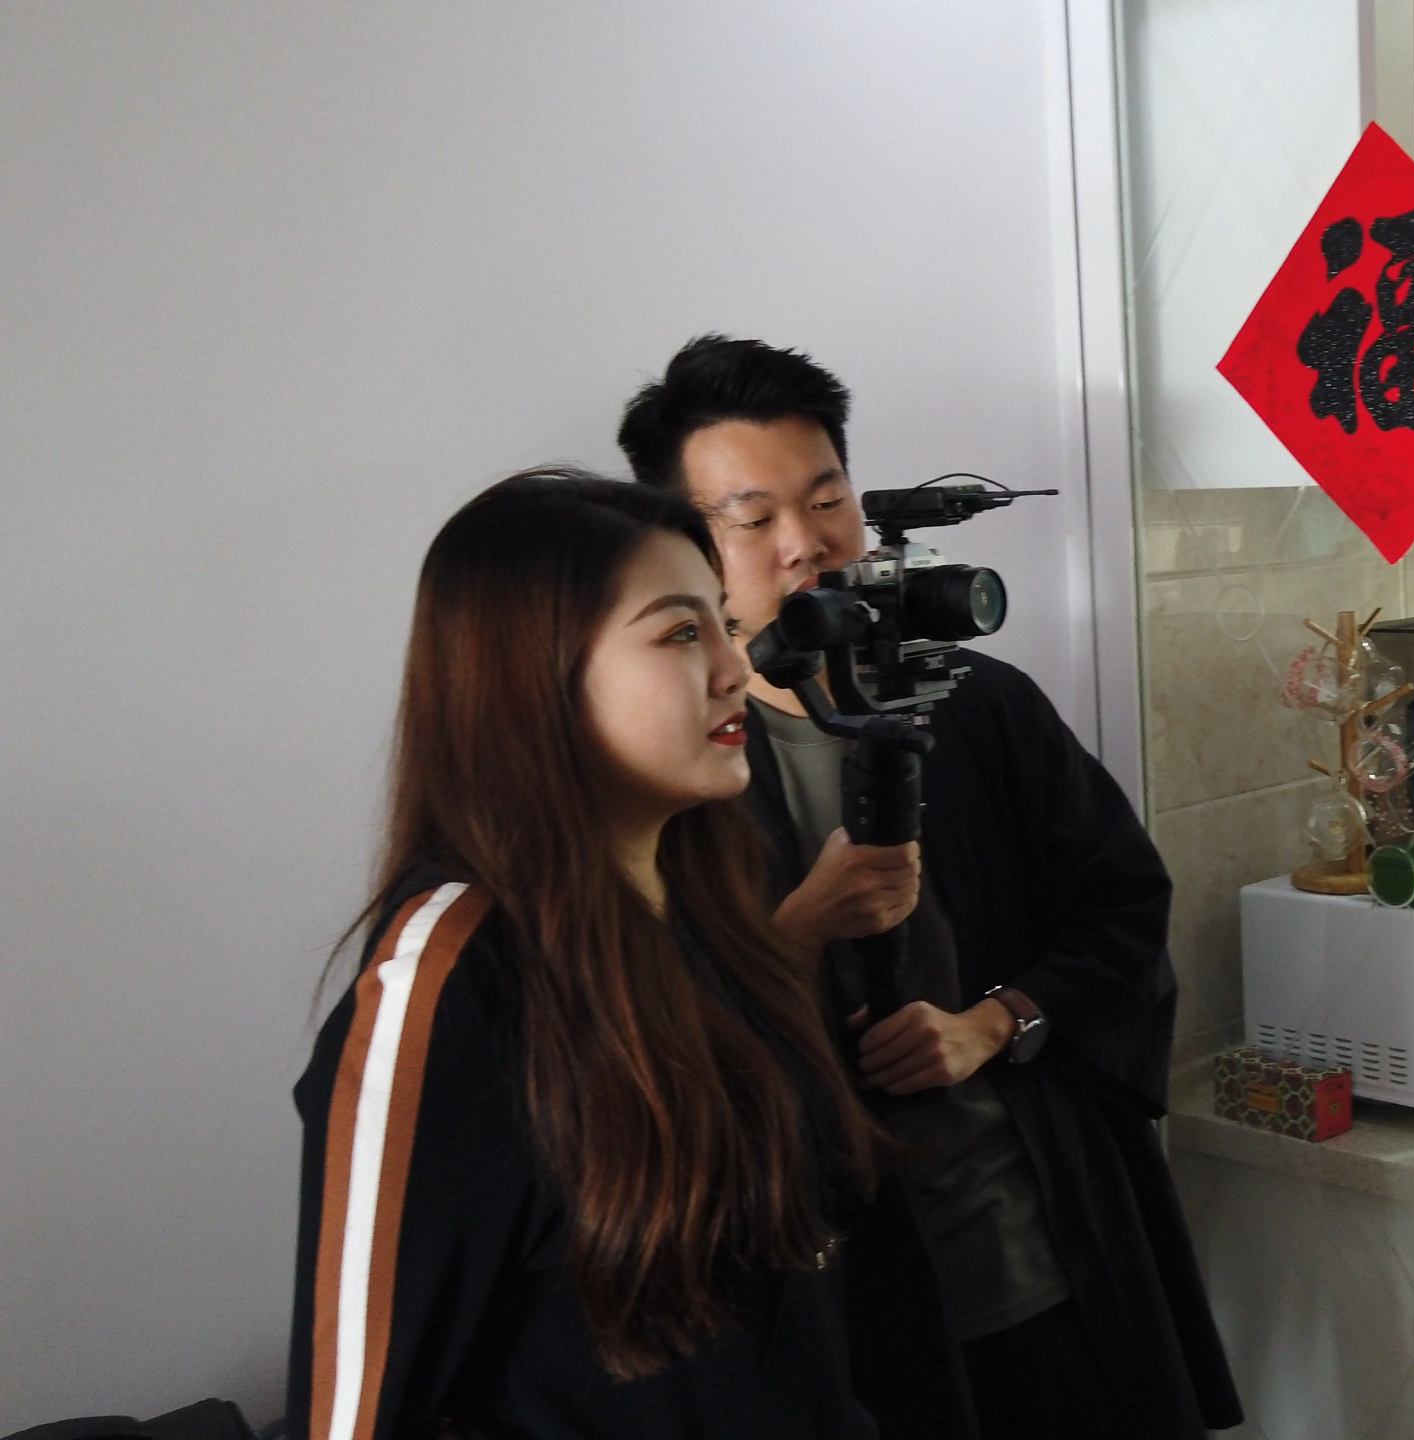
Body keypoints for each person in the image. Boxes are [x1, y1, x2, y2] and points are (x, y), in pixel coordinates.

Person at [618, 336, 1242, 1440]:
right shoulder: (673, 771)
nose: (807, 544)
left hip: (1039, 1255)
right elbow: (646, 1053)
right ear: (686, 546)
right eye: (753, 519)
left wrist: (996, 1023)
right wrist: (801, 926)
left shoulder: (974, 704)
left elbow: (1123, 908)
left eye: (828, 501)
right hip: (836, 1308)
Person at [287, 471, 974, 1440]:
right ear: (534, 677)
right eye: (681, 633)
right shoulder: (445, 977)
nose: (735, 668)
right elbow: (352, 1416)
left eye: (724, 624)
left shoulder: (715, 904)